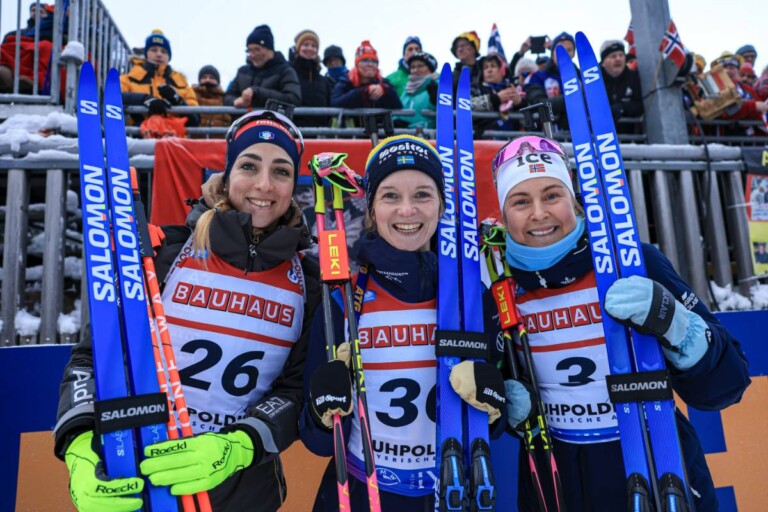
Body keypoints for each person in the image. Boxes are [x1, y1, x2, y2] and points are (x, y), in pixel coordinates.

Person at [54, 110, 321, 512]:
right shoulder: (164, 253)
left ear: (292, 185)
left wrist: (239, 445)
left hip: (243, 493)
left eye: (281, 171)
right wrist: (78, 444)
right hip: (140, 479)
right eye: (249, 166)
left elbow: (296, 390)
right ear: (227, 176)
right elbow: (93, 359)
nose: (264, 184)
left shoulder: (309, 284)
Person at [489, 134, 751, 511]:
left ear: (573, 201)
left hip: (654, 463)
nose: (539, 213)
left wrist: (679, 327)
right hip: (557, 478)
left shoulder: (631, 262)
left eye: (552, 195)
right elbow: (488, 403)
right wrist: (502, 402)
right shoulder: (498, 286)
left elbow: (727, 385)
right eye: (520, 201)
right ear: (504, 214)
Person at [300, 135, 509, 511]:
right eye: (390, 196)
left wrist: (494, 403)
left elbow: (496, 423)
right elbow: (316, 442)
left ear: (441, 205)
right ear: (371, 210)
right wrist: (321, 411)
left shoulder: (472, 298)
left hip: (450, 491)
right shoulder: (341, 299)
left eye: (423, 195)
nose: (407, 210)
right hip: (362, 491)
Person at [120, 30, 200, 128]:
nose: (159, 54)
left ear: (169, 56)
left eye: (164, 51)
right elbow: (116, 97)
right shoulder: (129, 79)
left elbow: (195, 119)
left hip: (175, 135)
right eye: (154, 50)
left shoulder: (182, 82)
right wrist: (144, 99)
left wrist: (178, 100)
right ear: (146, 54)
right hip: (141, 135)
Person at [225, 24, 302, 108]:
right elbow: (227, 97)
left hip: (271, 117)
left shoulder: (285, 71)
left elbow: (293, 99)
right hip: (244, 116)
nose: (252, 55)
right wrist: (235, 102)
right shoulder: (242, 71)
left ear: (270, 49)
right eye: (249, 50)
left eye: (257, 49)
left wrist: (257, 92)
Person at [331, 40, 402, 111]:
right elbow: (335, 103)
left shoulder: (384, 83)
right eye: (365, 60)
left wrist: (385, 90)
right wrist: (363, 92)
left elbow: (398, 107)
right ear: (357, 65)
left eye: (374, 61)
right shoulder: (345, 82)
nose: (370, 64)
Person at [525, 32, 575, 131]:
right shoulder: (538, 76)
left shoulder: (581, 77)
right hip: (548, 134)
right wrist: (571, 98)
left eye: (569, 50)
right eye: (560, 49)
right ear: (552, 52)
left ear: (574, 54)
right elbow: (538, 105)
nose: (564, 53)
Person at [471, 52, 525, 132]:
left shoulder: (514, 88)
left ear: (502, 70)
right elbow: (468, 106)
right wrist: (496, 98)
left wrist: (520, 103)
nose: (489, 70)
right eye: (485, 67)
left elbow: (529, 116)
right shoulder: (475, 89)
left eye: (493, 66)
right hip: (484, 136)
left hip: (514, 137)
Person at [599, 40, 643, 134]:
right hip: (601, 135)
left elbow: (642, 104)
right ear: (603, 62)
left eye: (621, 55)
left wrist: (623, 107)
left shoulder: (634, 77)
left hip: (631, 137)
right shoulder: (594, 81)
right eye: (613, 56)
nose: (618, 59)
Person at [291, 29, 334, 127]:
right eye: (306, 44)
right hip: (293, 132)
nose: (310, 48)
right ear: (298, 48)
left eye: (314, 46)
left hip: (320, 134)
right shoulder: (288, 74)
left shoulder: (324, 82)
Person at [394, 51, 438, 129]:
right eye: (412, 67)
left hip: (427, 134)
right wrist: (395, 121)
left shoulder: (437, 87)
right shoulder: (407, 90)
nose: (415, 70)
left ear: (430, 68)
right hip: (403, 134)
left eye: (420, 66)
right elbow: (396, 111)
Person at [193, 64, 231, 137]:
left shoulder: (225, 98)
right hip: (194, 141)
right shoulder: (192, 95)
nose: (208, 80)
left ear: (217, 81)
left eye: (212, 77)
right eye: (204, 77)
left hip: (220, 141)